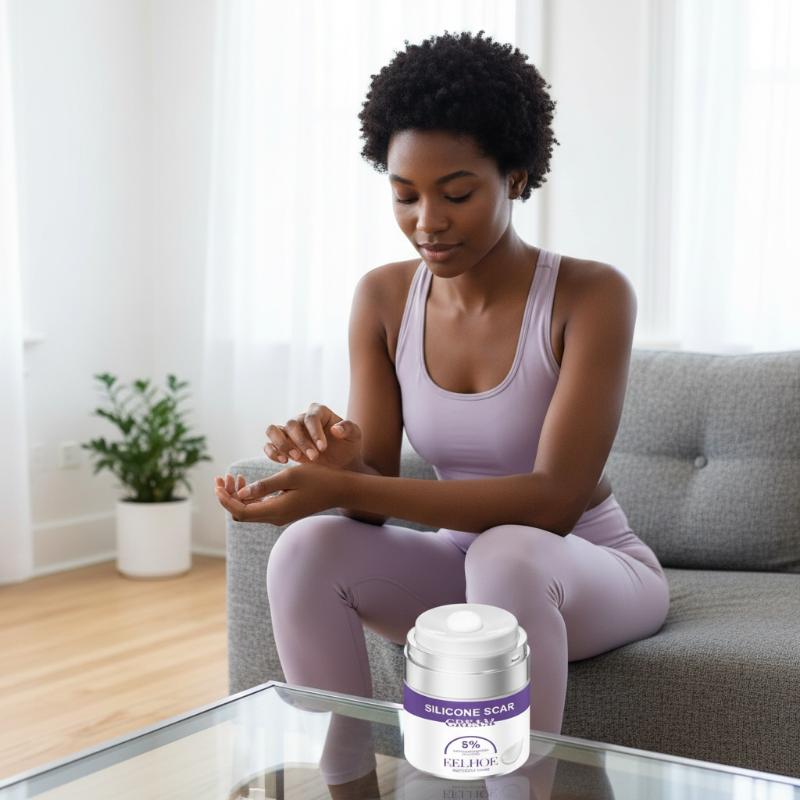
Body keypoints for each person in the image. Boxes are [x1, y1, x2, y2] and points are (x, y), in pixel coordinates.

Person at [215, 30, 669, 800]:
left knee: (508, 556)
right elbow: (369, 499)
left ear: (515, 177)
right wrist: (337, 466)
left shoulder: (592, 296)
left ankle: (518, 791)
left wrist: (350, 486)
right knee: (307, 549)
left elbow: (554, 503)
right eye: (405, 195)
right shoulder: (384, 297)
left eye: (456, 194)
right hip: (462, 566)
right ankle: (347, 781)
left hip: (584, 567)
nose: (428, 220)